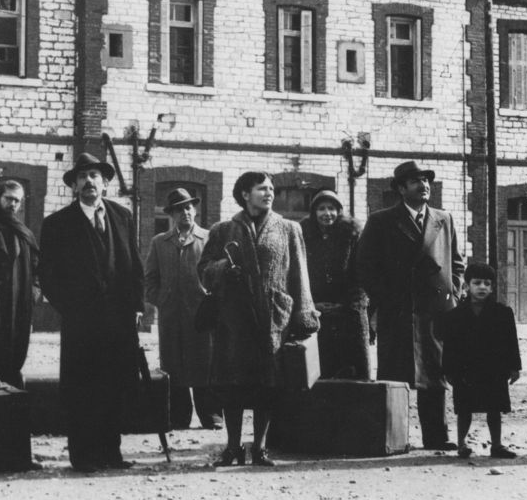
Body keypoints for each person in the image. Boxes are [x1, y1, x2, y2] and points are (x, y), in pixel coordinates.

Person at [198, 171, 319, 467]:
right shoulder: (223, 230)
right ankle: (233, 447)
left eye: (271, 189)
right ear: (244, 194)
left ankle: (260, 448)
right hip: (233, 319)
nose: (269, 193)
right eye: (262, 189)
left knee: (268, 386)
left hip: (273, 318)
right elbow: (204, 271)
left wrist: (304, 316)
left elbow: (299, 274)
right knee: (233, 385)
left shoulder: (288, 228)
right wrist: (224, 267)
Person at [38, 153, 144, 473]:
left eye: (94, 175)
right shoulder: (57, 224)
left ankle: (111, 452)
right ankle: (83, 456)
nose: (88, 182)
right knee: (82, 386)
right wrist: (71, 308)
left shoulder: (122, 216)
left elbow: (134, 264)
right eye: (82, 177)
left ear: (105, 183)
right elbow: (48, 276)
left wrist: (136, 306)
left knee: (114, 384)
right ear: (74, 186)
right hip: (81, 322)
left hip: (118, 320)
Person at [355, 160, 464, 450]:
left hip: (435, 309)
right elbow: (364, 265)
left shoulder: (444, 218)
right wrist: (384, 297)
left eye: (426, 180)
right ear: (401, 189)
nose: (424, 185)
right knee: (395, 373)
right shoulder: (381, 221)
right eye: (416, 181)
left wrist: (453, 294)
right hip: (397, 309)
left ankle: (437, 437)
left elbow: (456, 262)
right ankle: (393, 437)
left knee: (434, 373)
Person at [144, 187, 222, 430]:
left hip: (201, 314)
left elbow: (218, 275)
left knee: (205, 362)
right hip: (171, 315)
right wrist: (162, 299)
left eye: (188, 207)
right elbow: (149, 279)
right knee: (174, 363)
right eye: (179, 210)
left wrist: (211, 300)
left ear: (195, 210)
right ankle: (179, 416)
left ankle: (211, 415)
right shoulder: (160, 242)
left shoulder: (209, 238)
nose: (185, 213)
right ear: (171, 214)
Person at [440, 262, 521, 459]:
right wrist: (448, 370)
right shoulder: (455, 316)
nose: (482, 287)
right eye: (477, 283)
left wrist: (514, 367)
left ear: (492, 287)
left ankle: (497, 445)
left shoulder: (503, 313)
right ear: (467, 286)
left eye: (487, 283)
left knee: (494, 408)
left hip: (494, 369)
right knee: (464, 409)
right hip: (465, 370)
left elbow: (511, 342)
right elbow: (449, 346)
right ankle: (462, 444)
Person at [299, 189, 369, 380]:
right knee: (319, 369)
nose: (327, 213)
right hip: (316, 310)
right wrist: (313, 304)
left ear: (339, 211)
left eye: (331, 208)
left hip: (347, 312)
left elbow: (360, 273)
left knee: (351, 368)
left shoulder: (351, 234)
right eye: (321, 208)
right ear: (314, 212)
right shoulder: (303, 234)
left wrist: (347, 305)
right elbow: (300, 273)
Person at [0, 180, 40, 390]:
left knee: (16, 348)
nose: (13, 204)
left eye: (17, 200)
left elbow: (36, 267)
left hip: (19, 302)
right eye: (8, 198)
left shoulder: (23, 233)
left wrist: (33, 292)